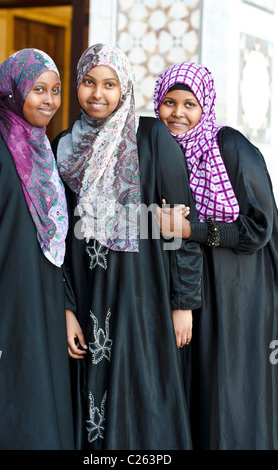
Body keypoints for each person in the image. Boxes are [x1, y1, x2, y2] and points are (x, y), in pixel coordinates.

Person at [52, 43, 202, 450]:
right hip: (87, 292)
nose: (97, 93)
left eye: (109, 84)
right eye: (88, 82)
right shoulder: (64, 145)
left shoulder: (152, 136)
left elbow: (179, 227)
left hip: (143, 292)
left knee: (145, 397)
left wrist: (183, 302)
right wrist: (65, 308)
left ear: (125, 88)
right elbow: (56, 235)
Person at [154, 61, 278, 450]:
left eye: (189, 104)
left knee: (231, 391)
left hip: (240, 293)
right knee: (199, 387)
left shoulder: (231, 146)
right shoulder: (161, 152)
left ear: (205, 106)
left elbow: (258, 228)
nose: (178, 113)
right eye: (169, 102)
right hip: (194, 293)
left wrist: (193, 229)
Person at [0, 48, 75, 450]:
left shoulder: (43, 150)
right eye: (38, 89)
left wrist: (66, 306)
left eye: (55, 90)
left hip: (44, 310)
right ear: (14, 90)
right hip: (1, 309)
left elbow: (56, 241)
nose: (50, 100)